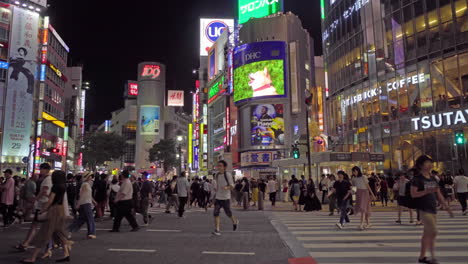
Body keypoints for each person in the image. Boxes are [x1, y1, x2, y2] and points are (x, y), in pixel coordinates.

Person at [21, 170, 73, 263]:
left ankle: (32, 258)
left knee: (44, 232)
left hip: (54, 210)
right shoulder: (63, 186)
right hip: (60, 210)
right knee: (58, 232)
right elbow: (56, 198)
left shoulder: (55, 186)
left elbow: (50, 200)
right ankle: (66, 254)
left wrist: (43, 210)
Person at [411, 155, 454, 264]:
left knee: (427, 233)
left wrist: (447, 207)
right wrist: (426, 191)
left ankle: (422, 257)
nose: (430, 164)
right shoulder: (417, 179)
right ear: (421, 165)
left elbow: (438, 193)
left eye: (430, 162)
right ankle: (433, 257)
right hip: (423, 209)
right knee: (433, 231)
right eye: (427, 162)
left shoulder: (433, 178)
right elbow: (413, 194)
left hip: (433, 209)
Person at [14, 163, 52, 253]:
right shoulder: (47, 179)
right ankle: (26, 244)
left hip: (43, 205)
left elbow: (44, 192)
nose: (40, 171)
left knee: (38, 226)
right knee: (43, 227)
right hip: (43, 205)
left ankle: (26, 244)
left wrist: (35, 200)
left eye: (41, 169)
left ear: (46, 169)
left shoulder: (47, 180)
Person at [212, 160, 239, 236]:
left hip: (226, 198)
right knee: (216, 213)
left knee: (228, 213)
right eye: (218, 166)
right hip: (218, 197)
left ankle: (235, 221)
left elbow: (232, 185)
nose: (219, 167)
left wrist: (227, 187)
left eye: (220, 166)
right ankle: (217, 230)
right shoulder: (217, 175)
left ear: (224, 167)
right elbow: (217, 184)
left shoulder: (228, 175)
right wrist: (216, 189)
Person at [68, 172, 97, 239]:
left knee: (81, 219)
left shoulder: (87, 184)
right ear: (87, 177)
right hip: (85, 203)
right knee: (90, 219)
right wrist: (78, 204)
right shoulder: (85, 184)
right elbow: (82, 195)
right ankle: (91, 233)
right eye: (90, 176)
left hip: (86, 203)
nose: (91, 177)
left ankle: (69, 230)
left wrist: (93, 201)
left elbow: (88, 195)